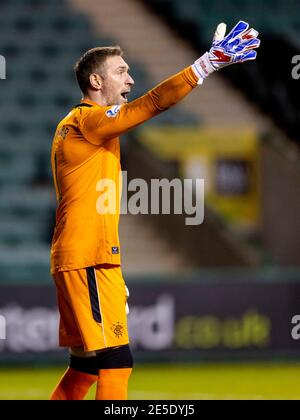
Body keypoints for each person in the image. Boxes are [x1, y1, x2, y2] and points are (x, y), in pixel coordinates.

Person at [50, 21, 260, 400]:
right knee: (117, 360)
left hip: (82, 256)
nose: (130, 77)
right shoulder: (89, 122)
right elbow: (153, 103)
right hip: (89, 257)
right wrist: (206, 64)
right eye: (121, 71)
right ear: (96, 83)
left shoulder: (72, 125)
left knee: (85, 365)